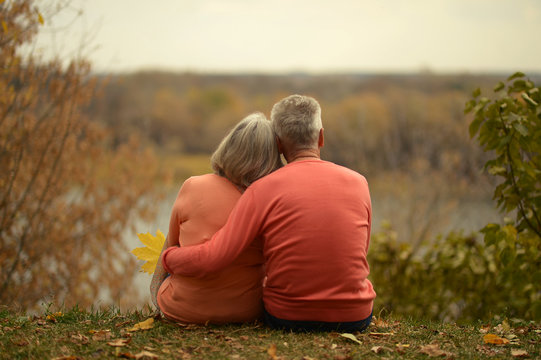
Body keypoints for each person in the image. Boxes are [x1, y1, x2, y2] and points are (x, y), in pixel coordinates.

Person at [162, 95, 376, 332]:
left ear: (279, 144)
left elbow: (216, 255)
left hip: (288, 317)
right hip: (355, 316)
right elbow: (359, 250)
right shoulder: (359, 182)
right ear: (321, 137)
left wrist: (167, 257)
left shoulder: (264, 188)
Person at [150, 112, 282, 324]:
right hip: (246, 311)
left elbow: (173, 243)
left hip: (181, 309)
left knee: (176, 240)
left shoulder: (192, 185)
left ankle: (156, 297)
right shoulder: (269, 202)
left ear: (228, 146)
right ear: (271, 159)